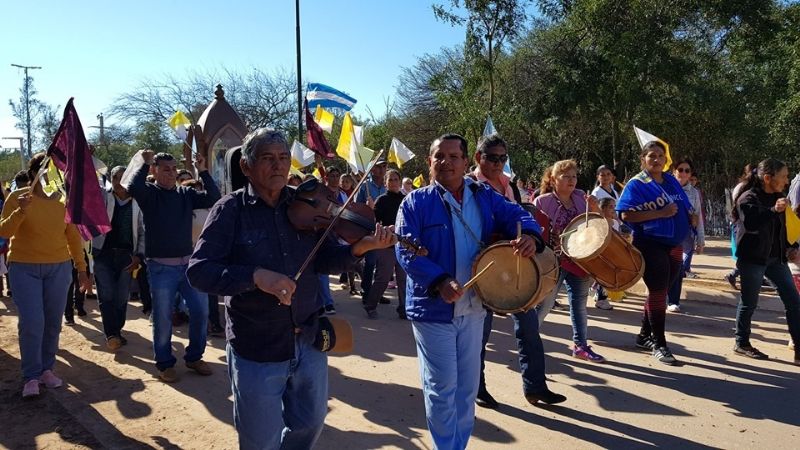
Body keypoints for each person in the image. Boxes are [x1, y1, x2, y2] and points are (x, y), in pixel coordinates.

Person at [187, 128, 394, 449]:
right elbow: (199, 272)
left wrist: (361, 248)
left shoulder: (304, 206)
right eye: (268, 158)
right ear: (246, 167)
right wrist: (255, 276)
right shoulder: (230, 211)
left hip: (309, 340)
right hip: (257, 347)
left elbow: (326, 261)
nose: (278, 166)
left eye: (283, 158)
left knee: (309, 425)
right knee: (261, 440)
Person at [396, 133, 545, 449]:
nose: (446, 162)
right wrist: (439, 281)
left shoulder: (484, 195)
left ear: (466, 162)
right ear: (429, 161)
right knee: (442, 385)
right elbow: (406, 252)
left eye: (454, 157)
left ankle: (457, 445)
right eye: (439, 156)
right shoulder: (415, 203)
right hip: (433, 308)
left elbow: (518, 215)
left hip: (475, 306)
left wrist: (531, 235)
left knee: (466, 387)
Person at [471, 135, 566, 410]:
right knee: (481, 332)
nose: (498, 163)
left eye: (502, 158)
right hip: (484, 267)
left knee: (529, 328)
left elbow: (520, 218)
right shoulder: (471, 187)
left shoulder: (508, 186)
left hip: (514, 266)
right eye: (492, 158)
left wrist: (531, 238)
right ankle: (477, 387)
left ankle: (535, 387)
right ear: (479, 158)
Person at [0, 153, 92, 398]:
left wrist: (82, 269)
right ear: (34, 174)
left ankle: (46, 370)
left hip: (58, 268)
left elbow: (73, 237)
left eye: (55, 172)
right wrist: (20, 211)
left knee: (52, 323)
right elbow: (4, 231)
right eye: (47, 171)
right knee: (32, 323)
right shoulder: (17, 197)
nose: (52, 176)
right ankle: (31, 376)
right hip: (24, 267)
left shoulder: (63, 200)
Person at [124, 150, 221, 382]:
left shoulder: (186, 193)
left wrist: (204, 171)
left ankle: (194, 356)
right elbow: (134, 187)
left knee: (201, 312)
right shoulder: (149, 195)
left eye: (173, 168)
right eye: (165, 169)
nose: (171, 173)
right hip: (160, 269)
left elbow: (213, 197)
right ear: (154, 171)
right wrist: (144, 162)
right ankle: (165, 363)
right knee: (163, 317)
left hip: (189, 265)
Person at [617, 141, 694, 365]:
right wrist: (661, 212)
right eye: (652, 156)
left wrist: (691, 216)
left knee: (662, 291)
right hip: (650, 244)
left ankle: (643, 336)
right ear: (643, 159)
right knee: (659, 290)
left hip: (674, 243)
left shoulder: (670, 179)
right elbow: (626, 216)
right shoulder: (636, 184)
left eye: (661, 156)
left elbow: (683, 203)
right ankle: (660, 344)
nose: (657, 159)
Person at [534, 159, 608, 362]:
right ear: (553, 179)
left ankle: (581, 346)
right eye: (565, 176)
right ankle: (528, 339)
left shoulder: (582, 198)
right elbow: (535, 230)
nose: (571, 180)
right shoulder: (542, 201)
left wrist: (596, 209)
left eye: (574, 176)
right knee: (546, 303)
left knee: (579, 305)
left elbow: (597, 225)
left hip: (580, 260)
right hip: (553, 262)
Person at [731, 158, 800, 363]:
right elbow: (751, 222)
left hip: (776, 259)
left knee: (794, 302)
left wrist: (791, 247)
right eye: (784, 177)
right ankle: (741, 342)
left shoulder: (778, 196)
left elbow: (783, 227)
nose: (787, 181)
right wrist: (772, 211)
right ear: (768, 178)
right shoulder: (747, 197)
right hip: (753, 259)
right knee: (749, 303)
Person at [92, 166, 145, 350]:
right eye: (115, 177)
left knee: (121, 296)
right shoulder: (104, 197)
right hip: (103, 253)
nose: (118, 182)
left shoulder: (138, 202)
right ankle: (112, 334)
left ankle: (117, 331)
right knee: (106, 295)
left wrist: (139, 255)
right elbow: (88, 187)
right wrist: (89, 161)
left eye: (123, 178)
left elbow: (142, 231)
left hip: (127, 256)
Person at [364, 169, 407, 319]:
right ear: (385, 183)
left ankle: (403, 308)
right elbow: (374, 222)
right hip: (386, 244)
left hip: (402, 244)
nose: (394, 182)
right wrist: (384, 227)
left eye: (396, 179)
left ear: (400, 181)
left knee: (403, 278)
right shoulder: (381, 200)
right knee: (383, 277)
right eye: (390, 180)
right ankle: (370, 305)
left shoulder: (406, 199)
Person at [667, 159, 705, 313]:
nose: (683, 173)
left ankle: (674, 300)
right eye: (680, 169)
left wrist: (700, 240)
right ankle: (660, 295)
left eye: (687, 170)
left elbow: (698, 217)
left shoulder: (694, 193)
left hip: (684, 237)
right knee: (663, 267)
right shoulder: (665, 188)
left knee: (678, 268)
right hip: (665, 234)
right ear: (674, 171)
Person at [356, 159, 388, 304]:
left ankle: (377, 292)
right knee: (370, 262)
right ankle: (367, 291)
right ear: (372, 169)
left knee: (381, 264)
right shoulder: (365, 186)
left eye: (384, 166)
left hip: (385, 228)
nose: (381, 169)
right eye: (378, 167)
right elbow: (356, 208)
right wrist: (367, 206)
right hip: (369, 228)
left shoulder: (387, 186)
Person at [319, 166, 342, 315]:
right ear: (326, 178)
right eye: (331, 176)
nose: (334, 178)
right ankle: (327, 302)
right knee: (323, 270)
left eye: (336, 176)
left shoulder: (343, 196)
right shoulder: (320, 193)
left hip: (336, 234)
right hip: (320, 232)